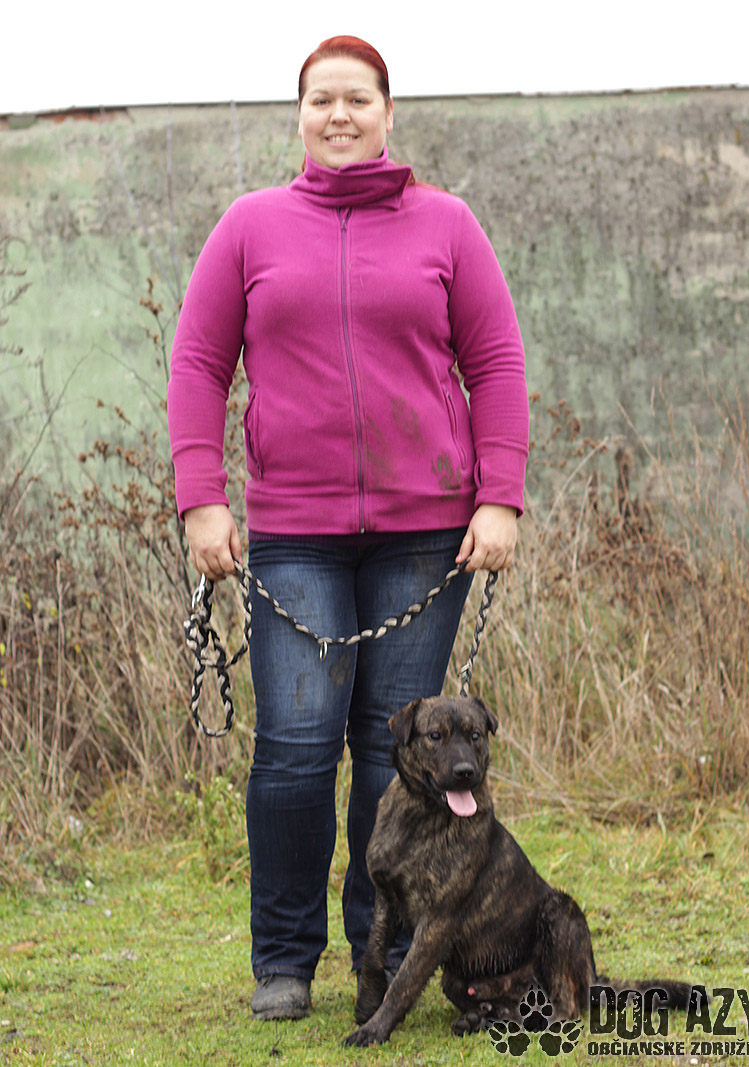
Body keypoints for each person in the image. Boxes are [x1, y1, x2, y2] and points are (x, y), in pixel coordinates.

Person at [167, 35, 529, 1022]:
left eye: (357, 99)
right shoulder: (249, 227)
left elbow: (495, 359)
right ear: (299, 114)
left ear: (387, 112)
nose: (339, 115)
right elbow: (198, 363)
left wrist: (499, 494)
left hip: (427, 535)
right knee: (294, 747)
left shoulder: (447, 224)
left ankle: (389, 953)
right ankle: (285, 959)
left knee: (392, 755)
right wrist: (202, 496)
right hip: (295, 537)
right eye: (321, 99)